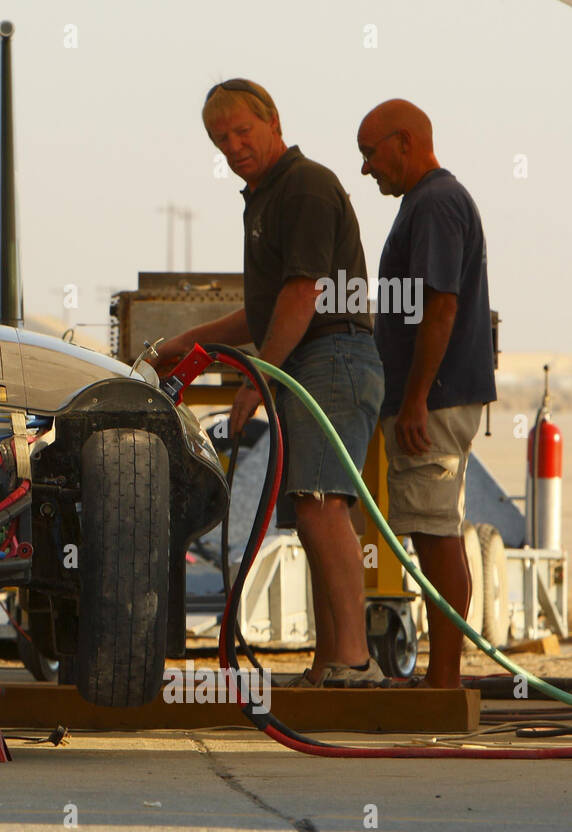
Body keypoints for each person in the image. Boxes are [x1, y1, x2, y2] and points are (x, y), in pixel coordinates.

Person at [156, 78, 386, 686]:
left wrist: (259, 379)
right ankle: (333, 663)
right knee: (311, 509)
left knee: (320, 504)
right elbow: (264, 309)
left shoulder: (304, 187)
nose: (232, 146)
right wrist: (190, 344)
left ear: (274, 121)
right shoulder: (264, 197)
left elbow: (303, 292)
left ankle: (354, 662)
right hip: (312, 359)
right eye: (220, 138)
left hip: (331, 356)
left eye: (241, 131)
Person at [357, 99, 496, 689]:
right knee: (431, 528)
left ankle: (443, 682)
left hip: (432, 401)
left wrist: (414, 398)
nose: (366, 168)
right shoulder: (429, 202)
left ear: (405, 142)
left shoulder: (436, 203)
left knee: (436, 532)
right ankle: (442, 678)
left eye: (371, 152)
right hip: (429, 396)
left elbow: (441, 307)